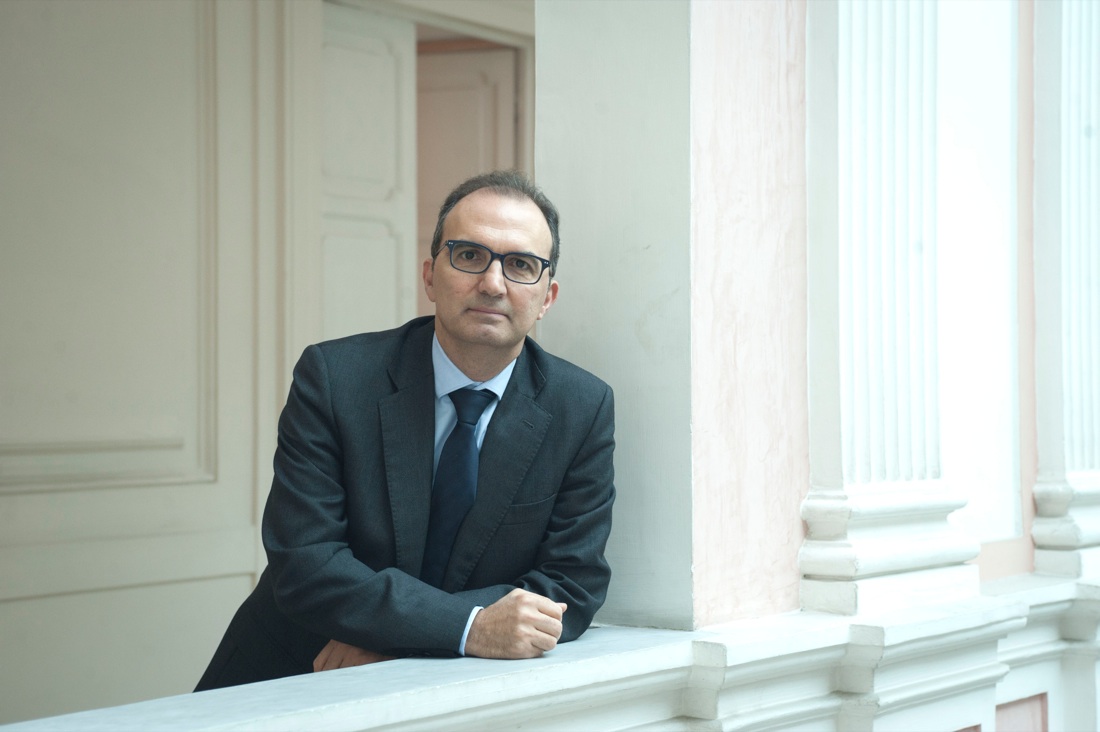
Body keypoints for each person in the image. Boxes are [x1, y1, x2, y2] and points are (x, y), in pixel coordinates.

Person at [195, 170, 615, 690]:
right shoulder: (335, 379)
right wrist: (467, 627)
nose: (492, 283)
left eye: (521, 265)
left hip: (459, 692)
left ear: (547, 297)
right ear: (430, 276)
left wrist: (406, 641)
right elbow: (306, 564)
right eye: (469, 255)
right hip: (295, 672)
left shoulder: (582, 407)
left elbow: (571, 583)